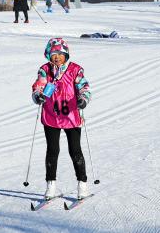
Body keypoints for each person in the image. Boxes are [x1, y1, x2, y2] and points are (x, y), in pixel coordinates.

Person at [31, 37, 91, 201]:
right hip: (51, 116)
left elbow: (84, 86)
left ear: (66, 54)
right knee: (52, 150)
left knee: (75, 150)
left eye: (60, 53)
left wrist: (83, 99)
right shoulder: (45, 70)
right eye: (53, 54)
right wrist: (38, 96)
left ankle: (82, 183)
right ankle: (51, 185)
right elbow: (39, 85)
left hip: (71, 116)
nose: (56, 57)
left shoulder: (75, 70)